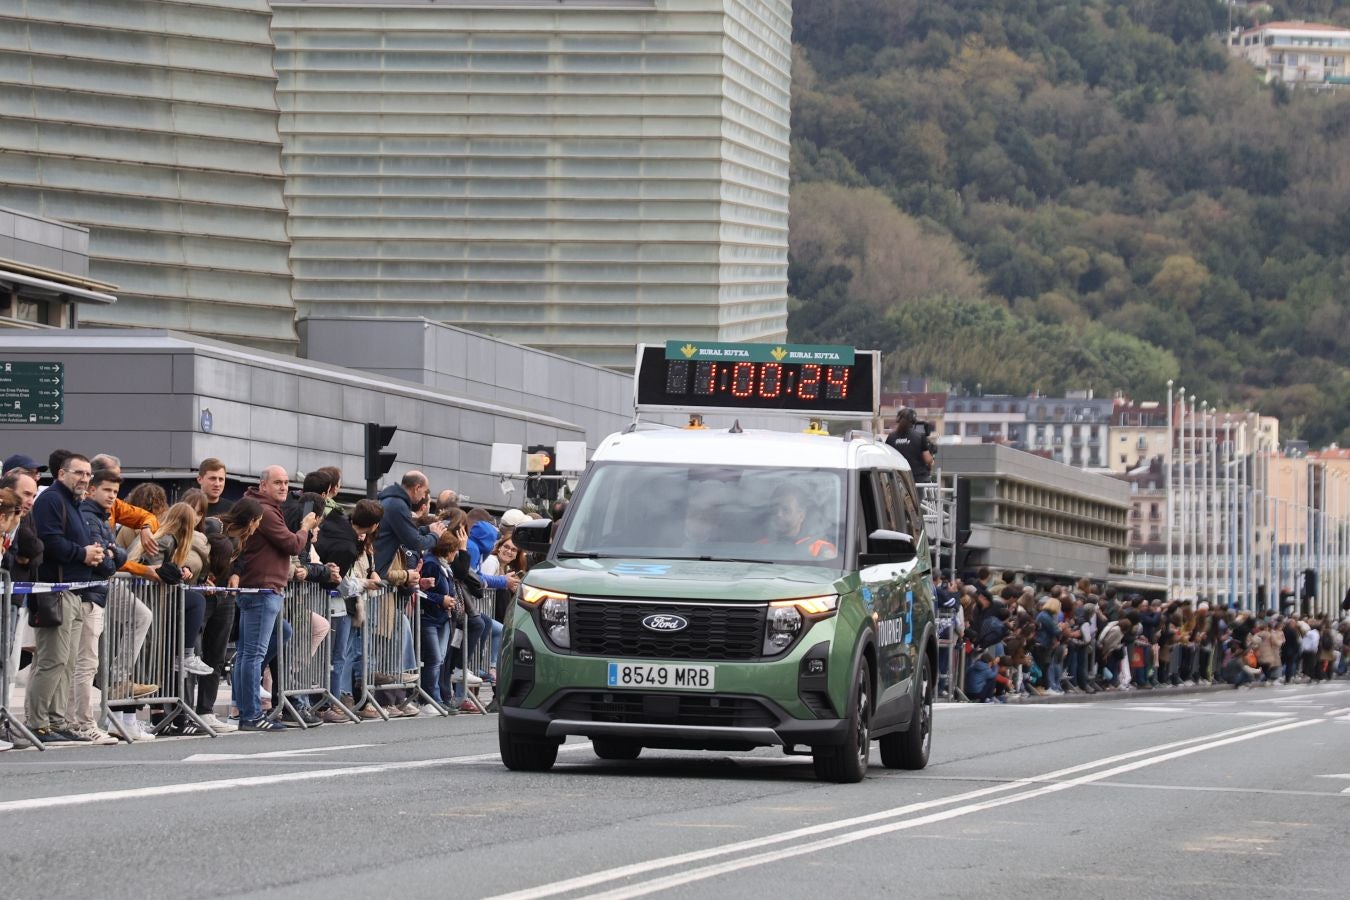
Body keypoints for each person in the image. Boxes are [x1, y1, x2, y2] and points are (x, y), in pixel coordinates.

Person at [234, 465, 318, 731]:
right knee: (252, 655)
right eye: (277, 483)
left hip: (263, 590)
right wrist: (305, 528)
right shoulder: (265, 512)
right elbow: (292, 544)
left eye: (286, 483)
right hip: (262, 590)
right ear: (263, 486)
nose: (284, 487)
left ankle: (245, 706)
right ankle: (250, 714)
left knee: (278, 634)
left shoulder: (264, 509)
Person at [26, 453, 100, 743]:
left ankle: (56, 722)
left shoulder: (73, 502)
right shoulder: (52, 500)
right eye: (78, 473)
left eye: (88, 474)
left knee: (67, 662)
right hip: (55, 591)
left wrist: (92, 552)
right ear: (61, 474)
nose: (84, 479)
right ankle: (37, 724)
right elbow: (50, 541)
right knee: (52, 660)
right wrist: (83, 553)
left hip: (73, 590)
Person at [763, 485, 836, 560]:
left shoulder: (822, 549)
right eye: (775, 509)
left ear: (801, 516)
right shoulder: (760, 546)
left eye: (786, 510)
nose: (778, 514)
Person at [884, 407, 934, 482]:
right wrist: (932, 457)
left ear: (898, 420)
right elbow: (927, 460)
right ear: (913, 421)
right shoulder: (920, 436)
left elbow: (887, 459)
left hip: (897, 481)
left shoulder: (891, 437)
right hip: (918, 480)